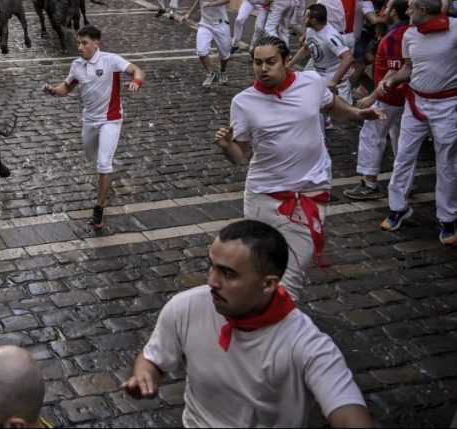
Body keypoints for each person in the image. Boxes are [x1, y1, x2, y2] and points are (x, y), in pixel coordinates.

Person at [122, 220, 374, 428]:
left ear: (268, 284)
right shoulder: (185, 307)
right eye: (212, 267)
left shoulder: (307, 345)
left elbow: (347, 411)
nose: (212, 281)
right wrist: (144, 374)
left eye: (228, 274)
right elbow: (152, 358)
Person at [214, 36, 382, 296]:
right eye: (257, 63)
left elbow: (332, 107)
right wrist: (227, 146)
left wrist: (358, 114)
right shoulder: (243, 102)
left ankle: (275, 327)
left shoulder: (312, 82)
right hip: (264, 196)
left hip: (309, 192)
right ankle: (258, 323)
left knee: (290, 276)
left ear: (286, 61)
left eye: (271, 62)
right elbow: (240, 157)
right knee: (259, 269)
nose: (263, 69)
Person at [42, 26, 145, 230]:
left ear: (96, 43)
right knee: (92, 156)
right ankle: (104, 179)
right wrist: (53, 90)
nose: (80, 47)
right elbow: (67, 87)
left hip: (111, 119)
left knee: (104, 164)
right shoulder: (76, 65)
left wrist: (136, 81)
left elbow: (136, 69)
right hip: (89, 120)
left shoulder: (111, 60)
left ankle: (99, 207)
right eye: (78, 43)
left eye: (84, 43)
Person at [380, 0, 457, 244]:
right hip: (415, 103)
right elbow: (408, 67)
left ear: (423, 9)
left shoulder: (455, 29)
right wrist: (392, 80)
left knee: (446, 162)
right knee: (403, 156)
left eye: (411, 8)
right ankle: (398, 207)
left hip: (447, 105)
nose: (407, 12)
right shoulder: (410, 34)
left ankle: (447, 219)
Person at [344, 0, 409, 201]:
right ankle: (404, 182)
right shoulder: (411, 33)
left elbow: (394, 71)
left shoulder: (394, 37)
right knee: (400, 139)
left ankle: (369, 183)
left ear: (395, 13)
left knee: (372, 135)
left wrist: (372, 97)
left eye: (387, 7)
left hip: (389, 97)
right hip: (405, 97)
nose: (383, 11)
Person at [287, 4, 353, 106]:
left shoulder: (330, 37)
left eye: (307, 16)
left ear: (313, 20)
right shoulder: (311, 30)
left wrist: (333, 81)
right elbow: (306, 49)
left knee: (341, 115)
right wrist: (289, 64)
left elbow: (348, 58)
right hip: (318, 74)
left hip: (334, 79)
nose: (304, 18)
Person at [179, 0, 232, 87]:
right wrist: (188, 14)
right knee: (201, 51)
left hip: (220, 24)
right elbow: (199, 1)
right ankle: (210, 73)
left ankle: (223, 71)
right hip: (205, 24)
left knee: (224, 55)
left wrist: (212, 4)